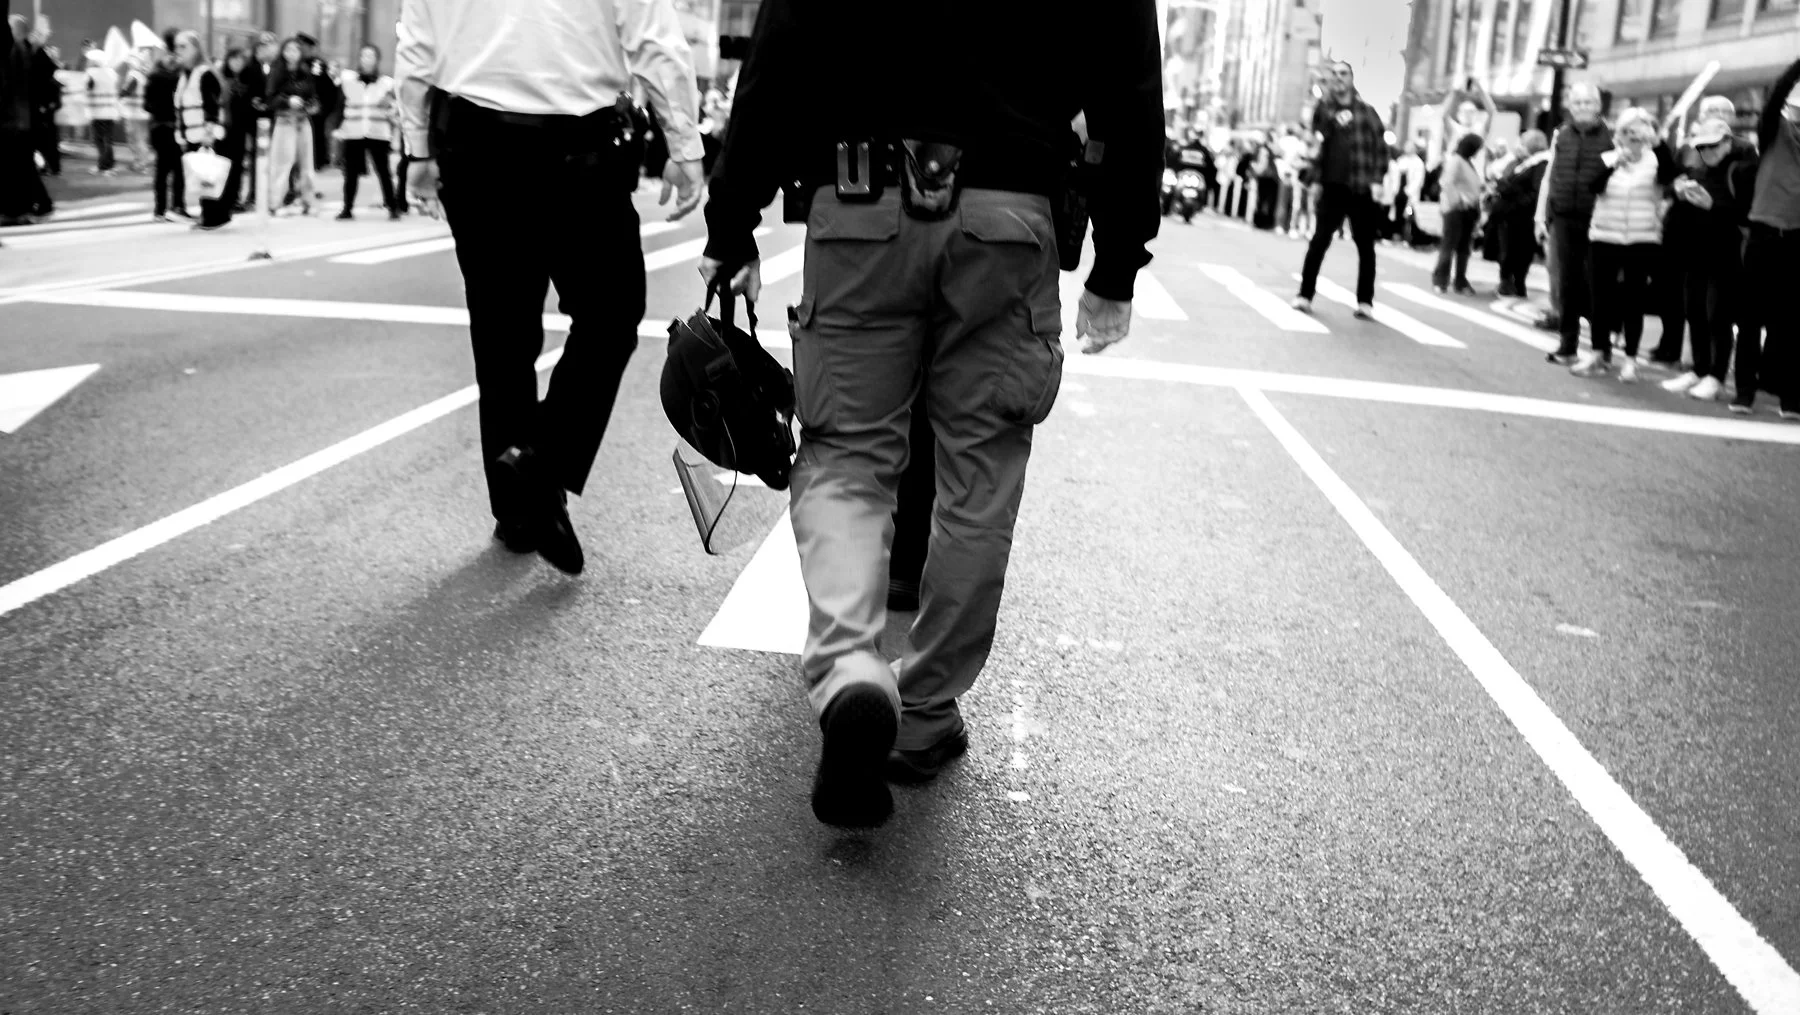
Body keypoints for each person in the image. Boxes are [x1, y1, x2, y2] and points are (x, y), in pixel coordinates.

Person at [698, 0, 1160, 829]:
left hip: (857, 204)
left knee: (845, 454)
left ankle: (851, 672)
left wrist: (733, 222)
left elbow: (781, 50)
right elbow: (1130, 81)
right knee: (979, 475)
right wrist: (1118, 261)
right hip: (1008, 217)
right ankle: (926, 706)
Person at [398, 0, 707, 574]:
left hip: (472, 145)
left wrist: (417, 148)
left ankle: (520, 509)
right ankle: (540, 467)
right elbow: (657, 44)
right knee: (611, 316)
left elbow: (417, 45)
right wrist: (684, 148)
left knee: (503, 329)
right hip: (580, 149)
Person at [1570, 107, 1675, 381]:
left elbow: (1668, 178)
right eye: (1628, 131)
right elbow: (1593, 187)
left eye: (1639, 132)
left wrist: (1658, 143)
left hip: (1642, 238)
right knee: (1600, 297)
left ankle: (1630, 361)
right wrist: (1615, 164)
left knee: (1634, 300)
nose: (1633, 137)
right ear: (1619, 135)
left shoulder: (1656, 160)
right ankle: (1597, 353)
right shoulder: (1607, 157)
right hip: (1604, 236)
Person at [1658, 116, 1752, 402]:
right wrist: (1679, 192)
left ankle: (1716, 375)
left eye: (1712, 146)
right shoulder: (1700, 170)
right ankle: (1699, 370)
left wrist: (1714, 205)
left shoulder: (1743, 168)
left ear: (1726, 142)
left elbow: (1747, 215)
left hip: (1727, 255)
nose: (1707, 152)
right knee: (1695, 312)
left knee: (1718, 317)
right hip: (1696, 252)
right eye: (1701, 147)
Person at [1293, 60, 1389, 319]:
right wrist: (1313, 179)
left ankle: (1365, 302)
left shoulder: (1367, 112)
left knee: (1365, 247)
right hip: (1331, 187)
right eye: (1334, 74)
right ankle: (1304, 295)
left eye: (1343, 74)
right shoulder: (1324, 110)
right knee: (1319, 242)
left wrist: (1378, 180)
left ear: (1352, 79)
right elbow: (1315, 143)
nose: (1338, 78)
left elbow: (1381, 149)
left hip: (1360, 188)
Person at [1734, 58, 1800, 419]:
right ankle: (1744, 391)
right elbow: (1775, 95)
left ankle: (1790, 396)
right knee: (1750, 318)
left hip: (1797, 238)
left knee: (1791, 322)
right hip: (1763, 232)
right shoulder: (1775, 131)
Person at [1534, 81, 1612, 366]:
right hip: (1564, 216)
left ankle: (1601, 348)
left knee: (1597, 284)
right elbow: (1549, 176)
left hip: (1599, 217)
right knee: (1566, 282)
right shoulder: (1561, 135)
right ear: (1570, 106)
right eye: (1577, 102)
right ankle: (1568, 345)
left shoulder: (1611, 136)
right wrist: (1540, 215)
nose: (1582, 107)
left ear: (1598, 106)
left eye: (1588, 102)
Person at [335, 43, 399, 220]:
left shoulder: (387, 83)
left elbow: (396, 108)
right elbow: (340, 106)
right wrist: (337, 128)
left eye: (371, 56)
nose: (367, 59)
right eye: (364, 55)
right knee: (351, 173)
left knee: (383, 171)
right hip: (353, 132)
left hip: (378, 132)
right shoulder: (348, 82)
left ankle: (392, 206)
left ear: (377, 60)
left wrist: (390, 106)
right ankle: (347, 208)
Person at [173, 30, 229, 230]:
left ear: (196, 49)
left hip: (205, 134)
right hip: (191, 133)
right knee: (201, 176)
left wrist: (209, 133)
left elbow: (211, 107)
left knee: (209, 175)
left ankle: (215, 217)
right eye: (177, 46)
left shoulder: (204, 73)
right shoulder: (185, 75)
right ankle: (208, 215)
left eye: (183, 46)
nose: (178, 50)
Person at [263, 37, 318, 216]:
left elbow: (314, 96)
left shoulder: (306, 72)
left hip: (303, 121)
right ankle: (275, 203)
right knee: (281, 164)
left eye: (295, 50)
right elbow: (270, 98)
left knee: (307, 164)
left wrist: (311, 104)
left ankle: (308, 201)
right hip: (285, 121)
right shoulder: (277, 71)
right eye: (288, 50)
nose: (291, 54)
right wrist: (288, 101)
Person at [1492, 129, 1549, 297]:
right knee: (1510, 249)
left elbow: (1535, 192)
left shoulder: (1540, 164)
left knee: (1519, 251)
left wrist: (1509, 192)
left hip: (1522, 216)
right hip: (1512, 216)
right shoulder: (1523, 163)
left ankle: (1516, 283)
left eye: (1523, 143)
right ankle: (1509, 281)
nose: (1520, 146)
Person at [1431, 131, 1485, 295]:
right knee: (1450, 245)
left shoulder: (1466, 162)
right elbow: (1447, 182)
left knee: (1463, 248)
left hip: (1468, 209)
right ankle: (1441, 280)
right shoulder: (1456, 161)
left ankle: (1460, 280)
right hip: (1456, 209)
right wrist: (1458, 201)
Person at [144, 37, 186, 221]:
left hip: (168, 126)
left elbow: (147, 104)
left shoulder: (175, 76)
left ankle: (169, 207)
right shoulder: (162, 76)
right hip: (167, 126)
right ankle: (168, 207)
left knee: (172, 169)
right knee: (169, 169)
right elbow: (147, 103)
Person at [83, 48, 118, 174]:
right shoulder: (112, 73)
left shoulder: (91, 73)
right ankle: (110, 165)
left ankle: (103, 165)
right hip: (111, 111)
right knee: (108, 140)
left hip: (97, 112)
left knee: (99, 140)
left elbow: (86, 87)